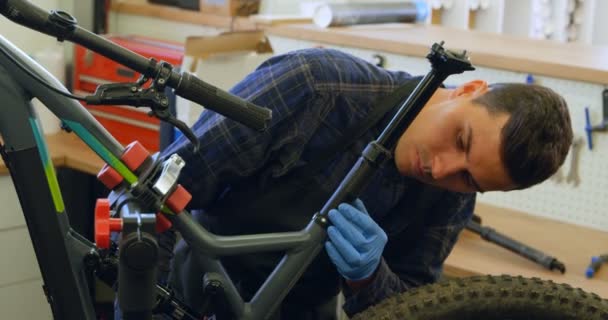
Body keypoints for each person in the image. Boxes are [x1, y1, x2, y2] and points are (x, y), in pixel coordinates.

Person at [158, 47, 573, 319]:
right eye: (460, 139)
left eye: (469, 178)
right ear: (468, 89)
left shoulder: (451, 199)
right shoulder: (316, 87)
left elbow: (412, 308)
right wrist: (147, 301)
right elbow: (160, 190)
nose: (442, 170)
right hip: (192, 295)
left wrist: (368, 278)